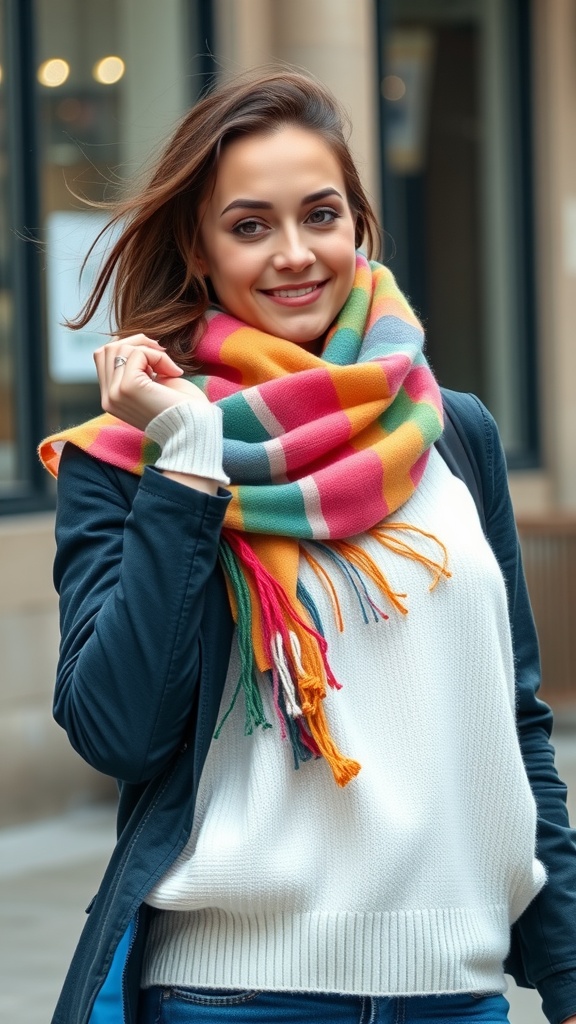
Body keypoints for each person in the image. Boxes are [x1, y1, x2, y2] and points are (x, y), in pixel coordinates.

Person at [39, 68, 576, 1024]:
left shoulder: (452, 435)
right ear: (199, 254)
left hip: (456, 994)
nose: (294, 253)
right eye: (249, 226)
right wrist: (190, 464)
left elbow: (515, 722)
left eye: (320, 215)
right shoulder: (128, 458)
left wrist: (570, 972)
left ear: (359, 225)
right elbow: (115, 729)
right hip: (237, 992)